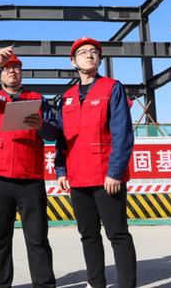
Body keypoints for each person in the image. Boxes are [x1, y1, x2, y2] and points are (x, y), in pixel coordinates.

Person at [55, 37, 137, 288]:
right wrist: (61, 169)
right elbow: (62, 136)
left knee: (117, 234)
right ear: (73, 61)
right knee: (88, 234)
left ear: (99, 59)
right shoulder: (67, 97)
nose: (89, 55)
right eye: (82, 52)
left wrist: (115, 171)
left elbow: (123, 132)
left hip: (106, 176)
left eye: (93, 52)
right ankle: (95, 282)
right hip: (78, 177)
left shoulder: (112, 88)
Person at [0, 45, 57, 288]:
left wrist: (41, 125)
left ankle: (44, 284)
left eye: (17, 68)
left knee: (38, 238)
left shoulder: (37, 99)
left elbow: (53, 133)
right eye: (7, 68)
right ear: (0, 73)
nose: (12, 71)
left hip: (30, 178)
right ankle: (1, 284)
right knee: (0, 240)